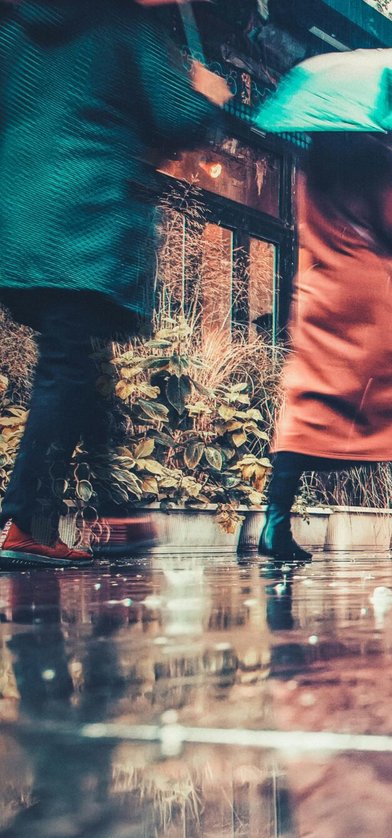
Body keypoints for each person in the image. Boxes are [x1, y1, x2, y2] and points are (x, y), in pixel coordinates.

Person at [0, 0, 228, 566]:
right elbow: (178, 118)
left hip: (19, 219)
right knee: (68, 367)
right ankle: (22, 519)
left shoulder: (15, 28)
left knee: (80, 366)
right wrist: (207, 94)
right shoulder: (124, 25)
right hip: (84, 219)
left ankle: (114, 512)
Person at [263, 134, 392, 562]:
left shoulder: (313, 156)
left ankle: (275, 522)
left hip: (318, 289)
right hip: (366, 293)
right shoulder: (379, 156)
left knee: (309, 402)